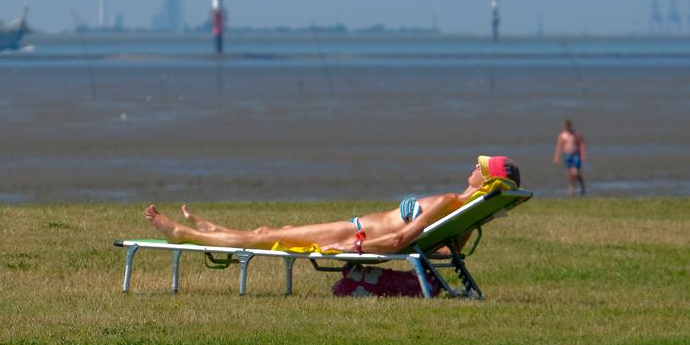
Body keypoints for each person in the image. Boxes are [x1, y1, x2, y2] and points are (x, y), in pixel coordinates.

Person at [144, 156, 521, 255]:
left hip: (354, 232)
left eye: (480, 168)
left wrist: (349, 246)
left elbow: (397, 241)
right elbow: (447, 251)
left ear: (487, 180)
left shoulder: (450, 202)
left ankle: (184, 233)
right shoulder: (465, 213)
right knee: (267, 233)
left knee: (262, 238)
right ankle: (212, 230)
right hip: (357, 231)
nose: (474, 167)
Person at [553, 119, 587, 196]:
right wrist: (557, 157)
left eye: (568, 125)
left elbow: (582, 143)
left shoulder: (576, 134)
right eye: (565, 126)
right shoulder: (562, 135)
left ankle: (582, 186)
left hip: (575, 154)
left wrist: (583, 154)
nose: (566, 127)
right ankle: (572, 188)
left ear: (570, 125)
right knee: (570, 173)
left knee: (575, 172)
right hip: (567, 155)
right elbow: (559, 146)